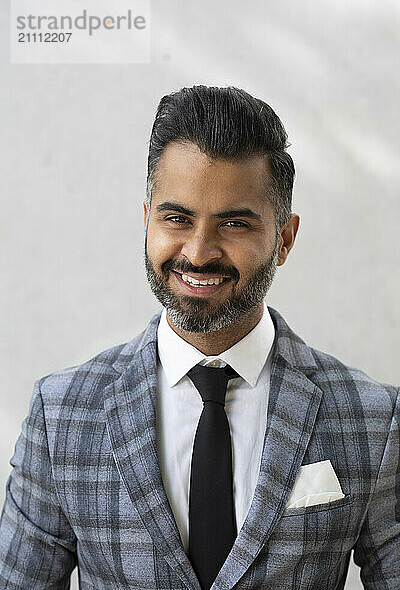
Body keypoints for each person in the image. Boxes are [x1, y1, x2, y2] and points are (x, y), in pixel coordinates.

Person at [0, 85, 398, 590]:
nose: (199, 250)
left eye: (234, 223)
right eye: (176, 218)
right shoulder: (61, 417)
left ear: (285, 239)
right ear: (147, 221)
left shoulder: (374, 420)